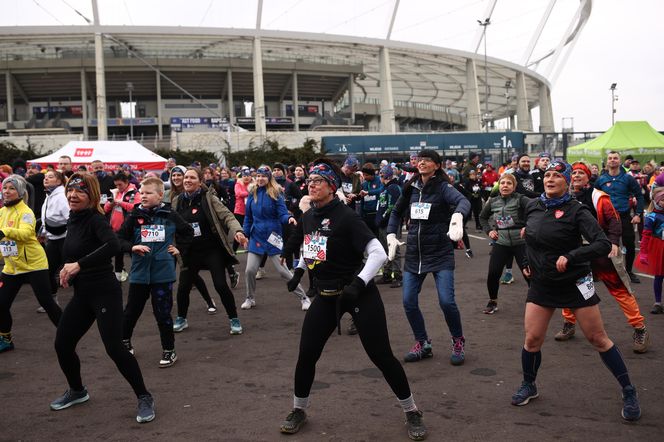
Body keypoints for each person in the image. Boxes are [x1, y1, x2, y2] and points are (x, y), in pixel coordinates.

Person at [278, 159, 427, 441]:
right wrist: (299, 271)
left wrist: (358, 284)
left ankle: (412, 411)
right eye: (309, 181)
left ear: (332, 187)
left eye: (318, 181)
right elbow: (313, 249)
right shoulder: (310, 215)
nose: (311, 185)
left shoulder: (347, 216)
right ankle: (298, 410)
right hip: (325, 295)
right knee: (307, 354)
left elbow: (379, 254)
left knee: (381, 356)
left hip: (358, 294)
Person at [511, 161, 641, 422]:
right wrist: (526, 262)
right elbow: (529, 238)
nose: (550, 179)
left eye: (557, 176)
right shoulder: (534, 206)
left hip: (576, 281)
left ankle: (629, 391)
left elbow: (602, 244)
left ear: (567, 181)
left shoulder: (577, 210)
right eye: (547, 175)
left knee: (597, 338)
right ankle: (529, 385)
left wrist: (571, 255)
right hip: (543, 283)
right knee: (532, 339)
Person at [51, 173, 155, 423]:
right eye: (70, 191)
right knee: (62, 344)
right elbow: (74, 252)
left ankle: (144, 396)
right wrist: (65, 271)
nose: (73, 195)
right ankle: (77, 390)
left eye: (80, 191)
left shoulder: (96, 219)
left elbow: (112, 245)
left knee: (115, 347)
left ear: (92, 195)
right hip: (82, 294)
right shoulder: (73, 218)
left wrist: (78, 265)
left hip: (104, 293)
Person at [554, 162, 650, 353]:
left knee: (619, 289)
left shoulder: (599, 197)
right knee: (569, 286)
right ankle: (569, 323)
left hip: (599, 249)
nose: (577, 176)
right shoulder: (565, 198)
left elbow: (614, 220)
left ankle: (640, 328)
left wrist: (613, 242)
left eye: (581, 173)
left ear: (588, 176)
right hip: (576, 252)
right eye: (574, 173)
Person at [386, 149, 470, 365]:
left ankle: (458, 340)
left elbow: (464, 202)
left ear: (437, 165)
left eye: (427, 160)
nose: (422, 163)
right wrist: (390, 234)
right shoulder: (411, 187)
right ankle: (422, 343)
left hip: (440, 252)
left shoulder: (443, 187)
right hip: (414, 253)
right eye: (420, 160)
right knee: (408, 301)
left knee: (446, 301)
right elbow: (396, 212)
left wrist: (458, 216)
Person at [118, 177, 194, 367]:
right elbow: (118, 240)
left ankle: (169, 350)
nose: (143, 196)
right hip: (139, 273)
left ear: (160, 195)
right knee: (131, 311)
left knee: (162, 314)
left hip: (163, 273)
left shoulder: (169, 214)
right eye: (141, 193)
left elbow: (188, 232)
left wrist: (180, 250)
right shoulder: (135, 216)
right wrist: (133, 247)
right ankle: (124, 342)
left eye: (149, 193)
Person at [172, 168, 248, 334]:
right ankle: (181, 318)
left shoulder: (209, 198)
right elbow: (168, 222)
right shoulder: (177, 201)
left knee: (220, 285)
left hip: (210, 250)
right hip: (189, 251)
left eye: (192, 178)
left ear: (200, 182)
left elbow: (227, 216)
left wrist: (238, 232)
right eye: (186, 177)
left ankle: (234, 319)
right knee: (183, 286)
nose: (187, 180)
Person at [0, 175, 63, 353]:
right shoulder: (2, 212)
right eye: (5, 188)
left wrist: (5, 230)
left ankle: (68, 334)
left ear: (20, 192)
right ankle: (5, 338)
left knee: (47, 302)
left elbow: (27, 233)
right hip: (12, 267)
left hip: (34, 265)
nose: (7, 191)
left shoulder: (25, 212)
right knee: (1, 304)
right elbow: (2, 241)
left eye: (11, 188)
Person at [241, 166, 309, 311]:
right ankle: (249, 298)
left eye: (263, 176)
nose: (260, 179)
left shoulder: (276, 193)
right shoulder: (252, 193)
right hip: (256, 236)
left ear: (269, 178)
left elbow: (283, 214)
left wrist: (289, 218)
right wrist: (244, 233)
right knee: (250, 270)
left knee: (283, 271)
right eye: (258, 176)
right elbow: (248, 217)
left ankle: (304, 298)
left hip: (273, 236)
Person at [166, 165, 219, 312]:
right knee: (172, 274)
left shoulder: (191, 194)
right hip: (172, 240)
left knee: (190, 274)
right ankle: (168, 306)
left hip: (190, 244)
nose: (176, 178)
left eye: (179, 175)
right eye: (173, 175)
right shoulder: (167, 195)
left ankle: (209, 301)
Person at [478, 173, 530, 314]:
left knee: (529, 274)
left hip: (521, 242)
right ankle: (492, 301)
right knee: (493, 273)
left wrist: (528, 227)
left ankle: (537, 300)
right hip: (501, 242)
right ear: (498, 186)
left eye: (509, 183)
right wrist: (489, 231)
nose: (505, 186)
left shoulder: (521, 199)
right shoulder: (493, 201)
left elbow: (534, 211)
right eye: (502, 183)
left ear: (514, 187)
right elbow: (482, 217)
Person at [595, 151, 645, 284]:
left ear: (620, 161)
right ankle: (606, 272)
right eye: (610, 158)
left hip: (624, 217)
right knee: (604, 245)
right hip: (607, 219)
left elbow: (639, 196)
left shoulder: (628, 178)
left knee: (629, 244)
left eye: (615, 158)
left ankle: (629, 272)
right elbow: (593, 197)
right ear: (607, 161)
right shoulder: (601, 180)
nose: (612, 160)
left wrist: (638, 214)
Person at [38, 170, 70, 311]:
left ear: (59, 181)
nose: (46, 179)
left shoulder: (61, 196)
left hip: (65, 239)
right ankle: (52, 301)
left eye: (50, 177)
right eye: (45, 177)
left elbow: (70, 217)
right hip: (52, 240)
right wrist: (43, 231)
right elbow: (47, 217)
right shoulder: (49, 195)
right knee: (48, 270)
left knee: (74, 271)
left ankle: (88, 301)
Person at [637, 174, 664, 314]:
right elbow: (646, 236)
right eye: (663, 199)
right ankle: (658, 302)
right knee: (659, 276)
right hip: (658, 248)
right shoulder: (652, 216)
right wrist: (643, 252)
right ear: (657, 201)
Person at [104, 172, 138, 282]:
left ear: (127, 182)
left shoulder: (135, 193)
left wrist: (120, 202)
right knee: (117, 252)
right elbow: (105, 209)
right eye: (116, 185)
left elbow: (135, 208)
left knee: (133, 252)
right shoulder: (114, 192)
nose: (118, 187)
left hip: (129, 229)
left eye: (120, 185)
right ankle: (118, 275)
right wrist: (111, 204)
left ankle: (137, 274)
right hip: (114, 228)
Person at [375, 165, 402, 288]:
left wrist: (383, 219)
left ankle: (397, 276)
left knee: (394, 249)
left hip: (390, 223)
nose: (380, 177)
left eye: (381, 175)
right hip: (382, 223)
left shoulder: (393, 188)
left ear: (385, 176)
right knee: (385, 250)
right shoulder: (385, 188)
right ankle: (387, 273)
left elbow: (392, 207)